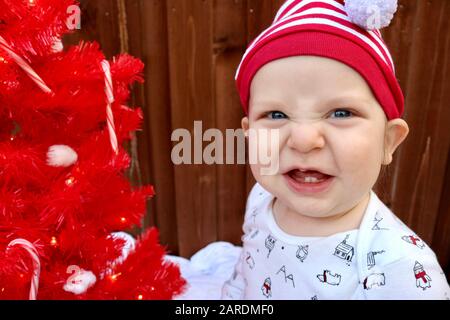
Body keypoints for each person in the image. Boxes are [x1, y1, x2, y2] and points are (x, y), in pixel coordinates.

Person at [221, 0, 450, 299]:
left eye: (340, 113)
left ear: (388, 141)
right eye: (276, 115)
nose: (303, 139)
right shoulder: (262, 199)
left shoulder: (402, 274)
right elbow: (245, 279)